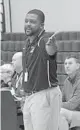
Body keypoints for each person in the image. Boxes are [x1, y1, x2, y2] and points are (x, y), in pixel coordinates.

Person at [22, 9, 62, 130]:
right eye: (26, 21)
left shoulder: (44, 40)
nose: (28, 24)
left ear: (41, 25)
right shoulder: (27, 43)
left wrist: (52, 46)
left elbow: (51, 50)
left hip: (44, 94)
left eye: (33, 22)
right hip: (30, 96)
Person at [59, 55, 80, 130]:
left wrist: (54, 104)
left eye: (70, 63)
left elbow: (72, 105)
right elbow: (62, 100)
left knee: (60, 112)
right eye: (65, 64)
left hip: (77, 112)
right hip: (72, 113)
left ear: (77, 66)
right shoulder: (66, 81)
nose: (67, 66)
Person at [0, 64, 19, 130]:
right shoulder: (2, 82)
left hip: (11, 109)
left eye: (2, 72)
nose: (0, 74)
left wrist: (9, 82)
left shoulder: (14, 81)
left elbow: (16, 93)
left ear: (9, 73)